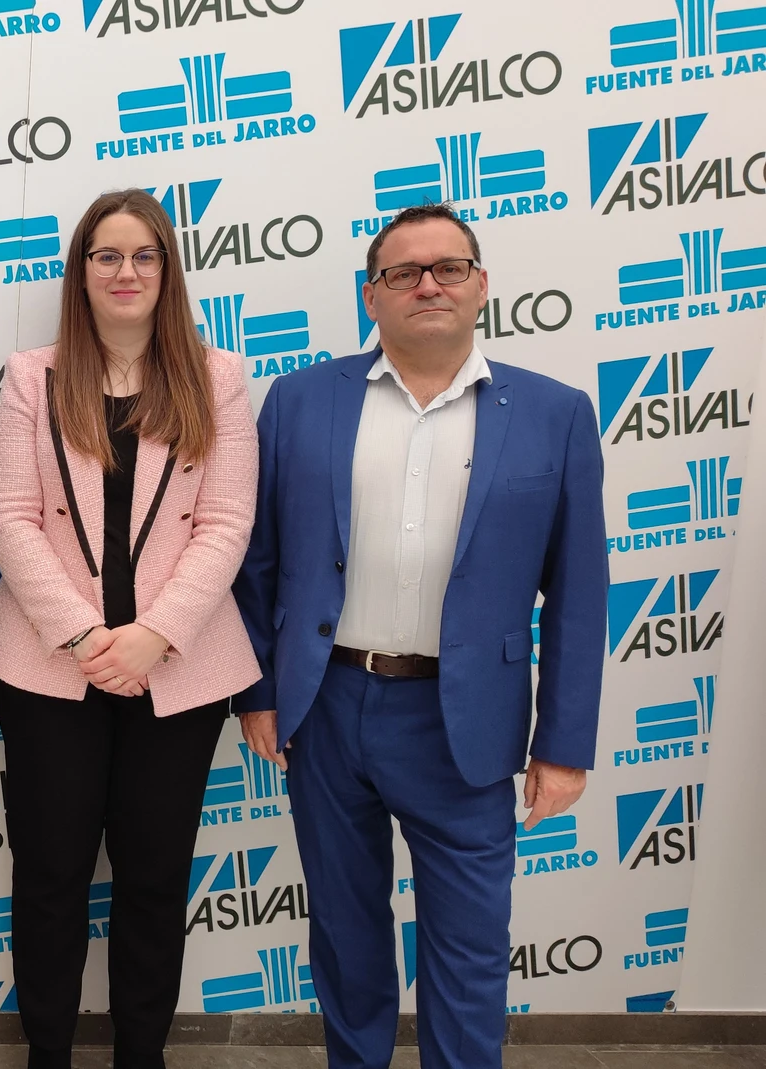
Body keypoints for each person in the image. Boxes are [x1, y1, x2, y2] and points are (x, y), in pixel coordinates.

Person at [233, 202, 607, 1069]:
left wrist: (564, 742)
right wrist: (257, 692)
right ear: (372, 296)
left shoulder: (556, 413)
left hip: (464, 721)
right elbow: (257, 561)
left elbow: (581, 591)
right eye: (404, 273)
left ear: (482, 285)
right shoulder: (298, 401)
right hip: (327, 707)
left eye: (448, 267)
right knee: (346, 932)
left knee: (470, 947)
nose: (427, 284)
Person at [0, 188, 261, 1069]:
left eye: (143, 255)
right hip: (52, 670)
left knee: (153, 877)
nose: (125, 271)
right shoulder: (33, 376)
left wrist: (153, 635)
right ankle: (48, 1054)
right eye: (106, 255)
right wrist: (86, 637)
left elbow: (226, 522)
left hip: (178, 670)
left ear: (167, 270)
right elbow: (11, 517)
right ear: (82, 272)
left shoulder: (220, 378)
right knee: (51, 877)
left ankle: (143, 1054)